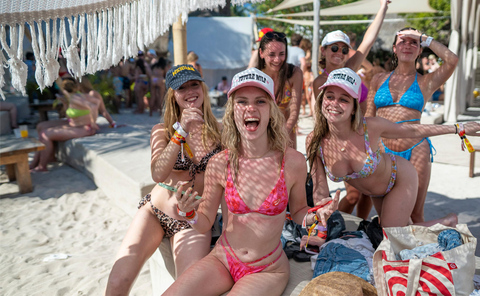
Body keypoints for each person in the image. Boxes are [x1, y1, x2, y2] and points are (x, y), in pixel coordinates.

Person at [163, 67, 339, 296]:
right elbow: (205, 221)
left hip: (267, 269)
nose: (251, 108)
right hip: (223, 260)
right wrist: (189, 214)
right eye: (242, 101)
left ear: (271, 110)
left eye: (260, 101)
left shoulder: (292, 162)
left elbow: (298, 212)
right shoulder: (220, 163)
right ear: (232, 110)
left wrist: (316, 215)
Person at [307, 68, 479, 227]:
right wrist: (323, 206)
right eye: (329, 96)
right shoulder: (314, 141)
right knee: (395, 235)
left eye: (344, 99)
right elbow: (319, 186)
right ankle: (446, 222)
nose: (334, 103)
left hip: (399, 178)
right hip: (376, 192)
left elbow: (411, 129)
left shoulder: (369, 128)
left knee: (390, 236)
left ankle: (447, 221)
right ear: (322, 99)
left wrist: (458, 128)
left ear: (354, 108)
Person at [105, 65, 222, 296]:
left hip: (192, 220)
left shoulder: (220, 132)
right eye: (181, 88)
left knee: (187, 288)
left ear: (203, 88)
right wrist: (181, 132)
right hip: (155, 213)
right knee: (119, 282)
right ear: (173, 95)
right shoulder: (162, 131)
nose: (190, 91)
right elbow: (157, 173)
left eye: (194, 84)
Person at [311, 0, 391, 219]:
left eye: (344, 49)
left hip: (365, 136)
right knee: (355, 195)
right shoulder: (320, 81)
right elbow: (321, 118)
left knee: (369, 193)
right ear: (324, 51)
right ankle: (332, 225)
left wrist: (382, 8)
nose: (339, 53)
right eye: (334, 48)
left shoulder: (350, 70)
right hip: (341, 141)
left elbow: (368, 40)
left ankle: (361, 225)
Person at [366, 28, 459, 223]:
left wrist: (424, 38)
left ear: (419, 50)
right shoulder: (378, 79)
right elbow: (368, 117)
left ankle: (419, 253)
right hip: (382, 149)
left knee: (415, 214)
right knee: (385, 216)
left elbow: (452, 59)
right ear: (394, 48)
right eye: (402, 41)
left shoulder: (426, 81)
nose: (407, 45)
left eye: (413, 42)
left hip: (415, 149)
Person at [29, 78, 101, 172]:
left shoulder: (75, 98)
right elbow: (95, 103)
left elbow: (94, 106)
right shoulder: (76, 97)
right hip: (77, 126)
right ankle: (38, 162)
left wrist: (93, 123)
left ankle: (41, 166)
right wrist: (64, 103)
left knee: (44, 134)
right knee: (42, 129)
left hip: (84, 128)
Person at [256, 31, 303, 149]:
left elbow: (294, 110)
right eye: (271, 54)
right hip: (261, 137)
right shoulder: (256, 75)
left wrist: (283, 134)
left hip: (286, 135)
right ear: (261, 53)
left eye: (281, 54)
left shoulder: (294, 73)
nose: (277, 60)